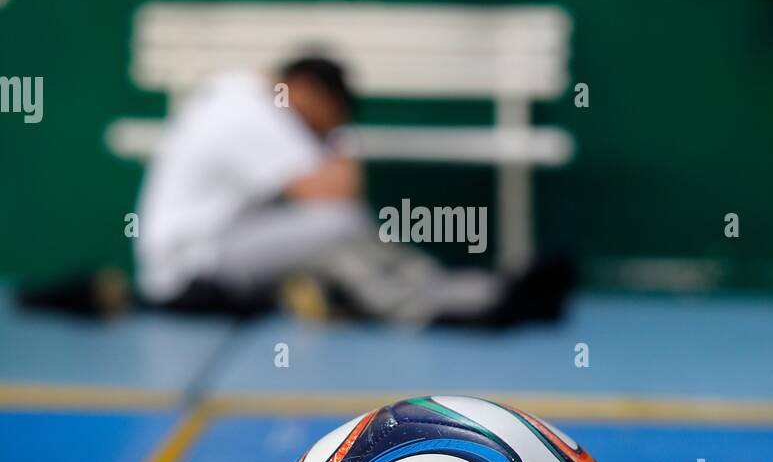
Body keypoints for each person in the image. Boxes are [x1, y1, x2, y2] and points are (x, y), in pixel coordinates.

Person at [134, 53, 570, 326]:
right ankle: (456, 302)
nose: (329, 128)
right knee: (339, 224)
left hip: (212, 250)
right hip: (190, 270)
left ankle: (473, 295)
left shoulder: (242, 95)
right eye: (332, 114)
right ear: (305, 91)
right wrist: (340, 138)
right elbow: (339, 192)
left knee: (336, 238)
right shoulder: (254, 110)